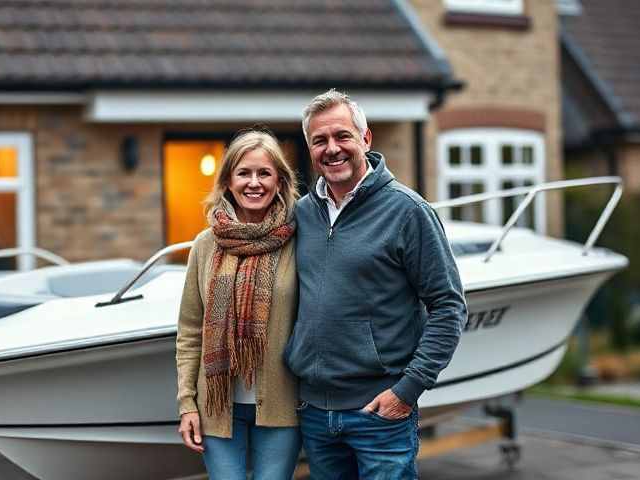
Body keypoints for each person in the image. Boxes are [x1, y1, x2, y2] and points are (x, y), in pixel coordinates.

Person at [283, 89, 467, 479]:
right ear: (309, 148)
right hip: (315, 413)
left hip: (380, 414)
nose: (332, 148)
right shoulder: (302, 214)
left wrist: (407, 391)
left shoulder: (408, 211)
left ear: (365, 139)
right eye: (319, 140)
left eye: (342, 136)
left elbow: (449, 307)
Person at [176, 129, 302, 479]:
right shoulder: (205, 245)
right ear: (228, 181)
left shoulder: (299, 240)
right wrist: (187, 403)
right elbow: (189, 332)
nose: (254, 182)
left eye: (264, 173)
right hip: (217, 407)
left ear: (279, 180)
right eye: (244, 173)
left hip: (281, 406)